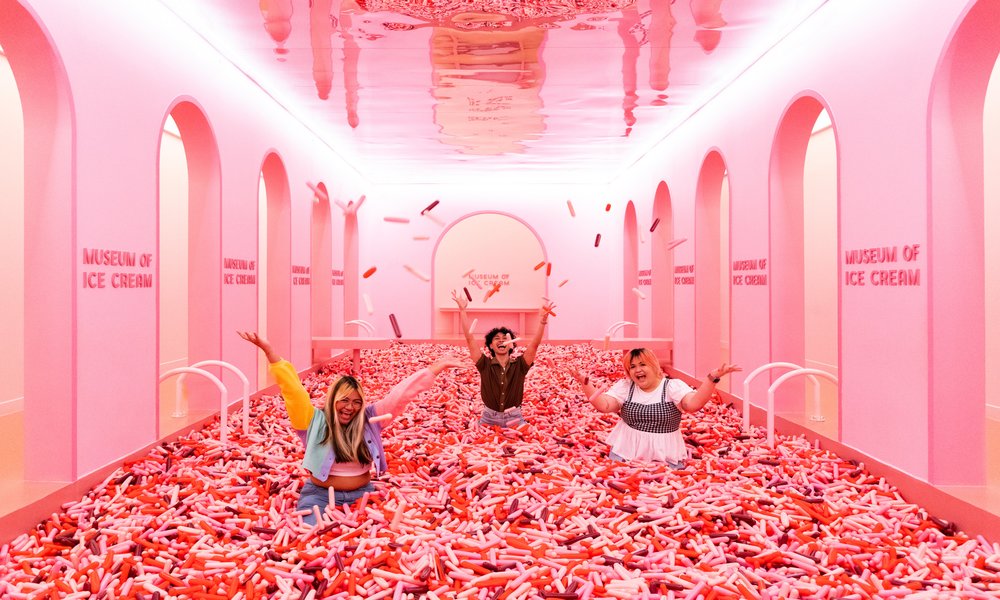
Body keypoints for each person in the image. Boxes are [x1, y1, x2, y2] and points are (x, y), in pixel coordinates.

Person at [238, 331, 463, 524]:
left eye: (356, 402)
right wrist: (271, 354)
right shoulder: (312, 420)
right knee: (309, 530)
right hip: (320, 496)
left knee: (383, 533)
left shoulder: (370, 419)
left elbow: (399, 396)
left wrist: (434, 369)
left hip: (363, 495)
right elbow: (293, 391)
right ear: (332, 399)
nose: (350, 407)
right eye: (344, 400)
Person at [569, 348, 740, 466]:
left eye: (642, 365)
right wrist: (586, 384)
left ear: (654, 366)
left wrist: (712, 379)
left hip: (664, 454)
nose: (637, 370)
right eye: (632, 367)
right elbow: (604, 405)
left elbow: (693, 404)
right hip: (627, 451)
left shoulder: (671, 387)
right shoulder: (626, 387)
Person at [451, 290, 555, 427]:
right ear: (491, 346)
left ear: (511, 344)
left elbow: (534, 346)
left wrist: (542, 322)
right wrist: (462, 310)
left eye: (505, 338)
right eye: (497, 339)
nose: (501, 341)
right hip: (489, 418)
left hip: (515, 418)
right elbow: (470, 339)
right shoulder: (484, 364)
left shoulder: (520, 365)